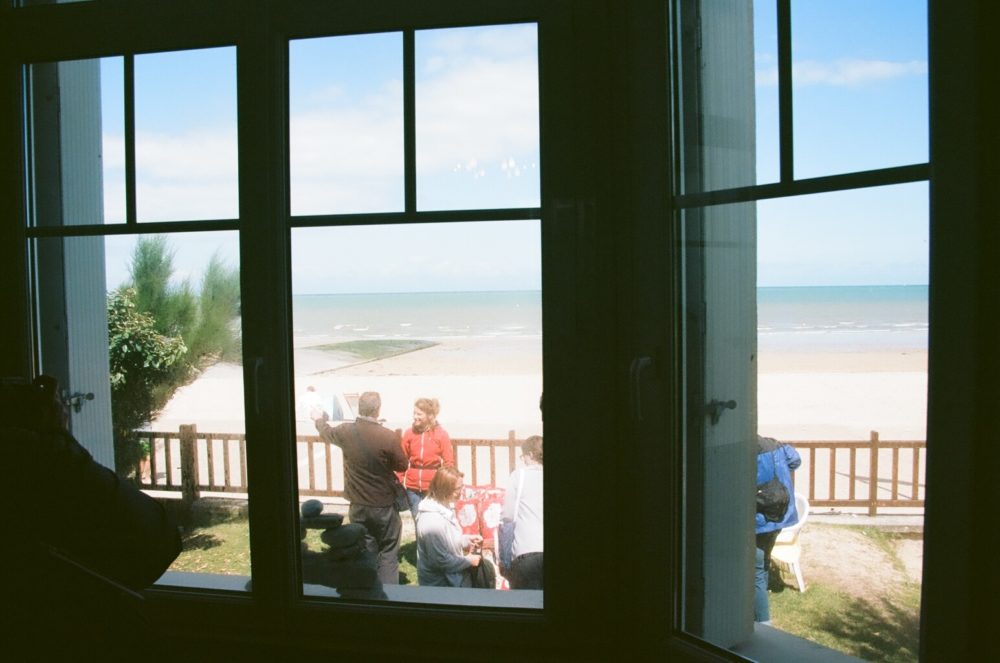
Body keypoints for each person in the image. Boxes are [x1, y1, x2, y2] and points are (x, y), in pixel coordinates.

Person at [312, 391, 407, 585]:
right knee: (388, 551)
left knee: (366, 549)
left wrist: (318, 419)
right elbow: (402, 465)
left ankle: (367, 592)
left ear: (359, 408)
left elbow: (326, 432)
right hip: (384, 505)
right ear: (377, 410)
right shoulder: (388, 436)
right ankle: (391, 597)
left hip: (358, 504)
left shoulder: (346, 431)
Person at [754, 434, 802, 624]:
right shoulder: (775, 446)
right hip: (779, 517)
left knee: (755, 572)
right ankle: (758, 612)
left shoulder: (746, 453)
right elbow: (795, 461)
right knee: (762, 564)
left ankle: (763, 622)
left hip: (759, 520)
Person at [414, 466, 483, 587]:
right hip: (440, 588)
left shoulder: (444, 505)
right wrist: (469, 560)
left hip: (452, 580)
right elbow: (440, 561)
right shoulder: (431, 522)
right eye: (458, 489)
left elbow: (448, 541)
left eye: (462, 487)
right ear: (444, 490)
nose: (461, 493)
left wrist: (466, 540)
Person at [400, 397, 454, 522]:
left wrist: (443, 484)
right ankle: (420, 542)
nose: (415, 417)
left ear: (429, 416)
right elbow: (402, 461)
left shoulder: (441, 434)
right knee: (418, 520)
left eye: (419, 414)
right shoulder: (409, 434)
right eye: (414, 413)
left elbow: (449, 463)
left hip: (432, 488)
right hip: (412, 488)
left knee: (433, 520)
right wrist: (399, 481)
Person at [501, 435, 544, 589]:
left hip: (526, 552)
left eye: (523, 456)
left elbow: (508, 515)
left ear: (531, 455)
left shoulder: (519, 475)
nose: (523, 460)